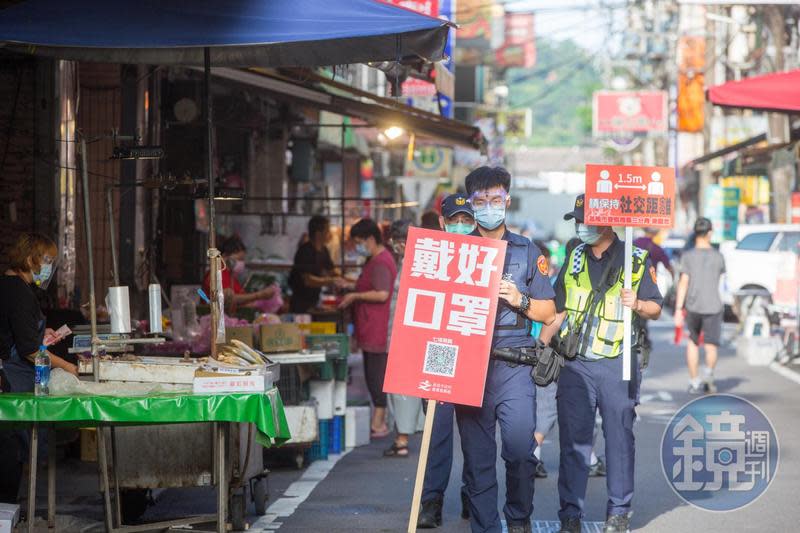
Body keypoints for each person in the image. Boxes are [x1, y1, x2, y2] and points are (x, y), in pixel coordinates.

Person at [540, 194, 663, 533]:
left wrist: (637, 302)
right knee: (573, 443)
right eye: (577, 220)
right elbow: (559, 308)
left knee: (619, 439)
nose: (581, 227)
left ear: (606, 222)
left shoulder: (637, 259)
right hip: (576, 364)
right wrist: (541, 345)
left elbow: (656, 307)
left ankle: (619, 513)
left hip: (618, 362)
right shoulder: (574, 256)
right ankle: (570, 515)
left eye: (586, 220)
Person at [456, 167, 556, 533]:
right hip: (468, 365)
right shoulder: (457, 252)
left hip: (515, 367)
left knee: (518, 453)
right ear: (470, 204)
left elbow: (547, 312)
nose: (488, 207)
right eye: (480, 201)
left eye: (495, 199)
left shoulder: (528, 251)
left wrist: (520, 299)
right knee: (478, 461)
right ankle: (485, 527)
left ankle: (518, 518)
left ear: (507, 201)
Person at [1, 232, 78, 503]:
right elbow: (29, 351)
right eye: (46, 260)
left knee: (13, 453)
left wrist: (43, 336)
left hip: (13, 377)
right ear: (30, 258)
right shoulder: (17, 292)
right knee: (10, 453)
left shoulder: (15, 288)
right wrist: (68, 367)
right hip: (10, 381)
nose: (49, 267)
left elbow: (21, 334)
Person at [417, 193, 476, 528]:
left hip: (475, 354)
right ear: (442, 222)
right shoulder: (428, 257)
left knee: (474, 434)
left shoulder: (486, 258)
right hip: (437, 352)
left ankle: (473, 493)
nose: (461, 225)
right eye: (455, 219)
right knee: (436, 433)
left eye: (467, 220)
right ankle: (431, 501)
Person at [337, 218, 397, 438]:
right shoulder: (374, 259)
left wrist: (354, 295)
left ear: (371, 238)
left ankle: (379, 421)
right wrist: (351, 286)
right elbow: (372, 285)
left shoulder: (381, 261)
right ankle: (378, 420)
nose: (358, 246)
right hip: (370, 326)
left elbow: (382, 293)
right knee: (373, 373)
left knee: (375, 375)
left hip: (377, 327)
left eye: (360, 241)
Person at [384, 219, 423, 458]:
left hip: (406, 333)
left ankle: (402, 438)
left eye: (397, 242)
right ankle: (404, 433)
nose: (395, 246)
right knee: (400, 385)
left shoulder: (415, 261)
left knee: (402, 386)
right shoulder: (407, 260)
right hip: (399, 331)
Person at [674, 217, 726, 394]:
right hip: (714, 305)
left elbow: (683, 283)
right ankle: (709, 375)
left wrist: (678, 309)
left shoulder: (687, 257)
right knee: (711, 345)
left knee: (693, 343)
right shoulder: (719, 257)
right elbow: (722, 283)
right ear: (709, 232)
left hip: (693, 306)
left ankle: (694, 381)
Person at [202, 235, 276, 309]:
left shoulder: (231, 276)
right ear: (225, 256)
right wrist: (259, 295)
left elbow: (241, 301)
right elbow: (228, 299)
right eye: (239, 259)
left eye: (242, 260)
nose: (241, 263)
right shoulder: (216, 274)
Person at [288, 215, 340, 313]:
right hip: (300, 302)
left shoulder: (324, 250)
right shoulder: (305, 251)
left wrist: (347, 280)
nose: (330, 234)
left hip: (314, 299)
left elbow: (332, 271)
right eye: (327, 231)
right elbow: (308, 280)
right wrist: (331, 281)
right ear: (318, 233)